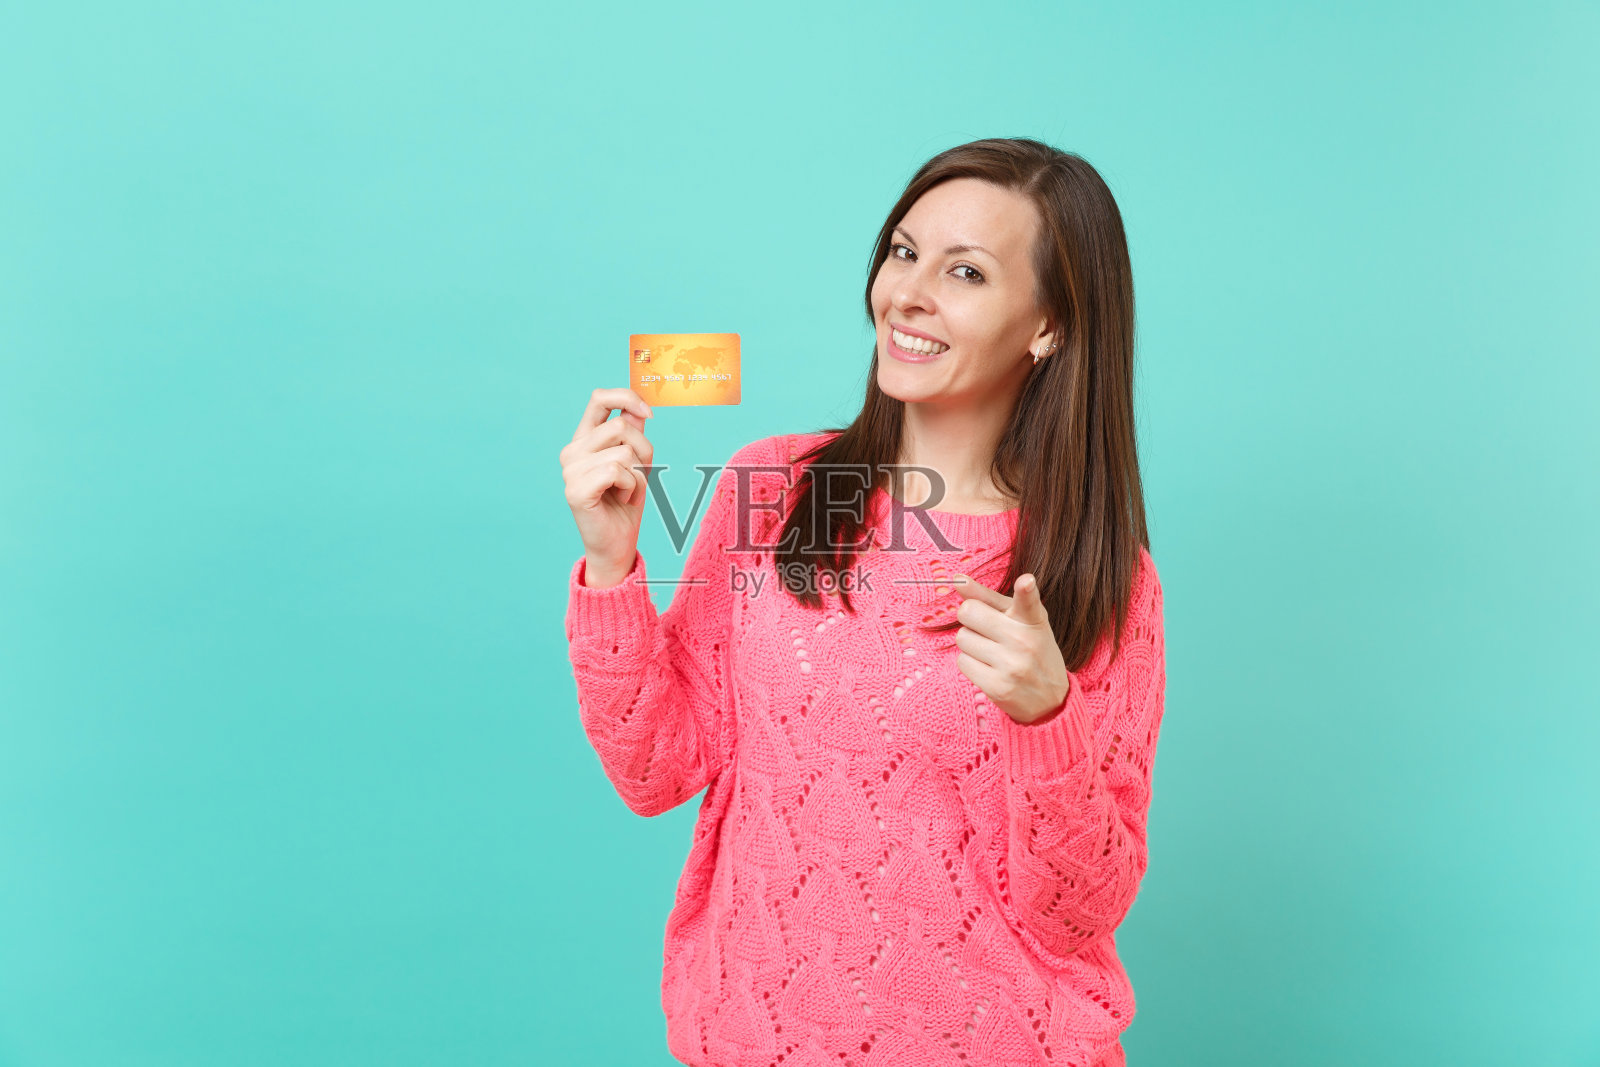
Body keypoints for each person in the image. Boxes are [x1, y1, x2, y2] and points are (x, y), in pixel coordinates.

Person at [561, 137, 1165, 1067]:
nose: (909, 293)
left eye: (965, 271)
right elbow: (657, 768)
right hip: (752, 1038)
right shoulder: (778, 486)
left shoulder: (1096, 571)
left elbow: (1078, 910)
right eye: (903, 251)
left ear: (1048, 325)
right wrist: (611, 565)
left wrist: (1048, 717)